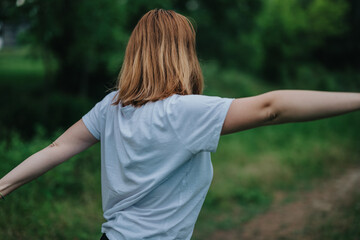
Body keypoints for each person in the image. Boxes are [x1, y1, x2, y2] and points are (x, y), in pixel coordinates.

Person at [0, 8, 359, 240]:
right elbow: (272, 107)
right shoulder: (183, 112)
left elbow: (57, 147)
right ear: (184, 54)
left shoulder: (111, 106)